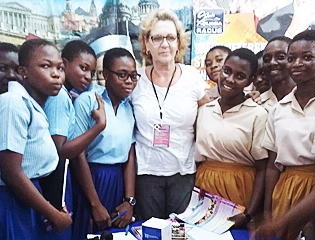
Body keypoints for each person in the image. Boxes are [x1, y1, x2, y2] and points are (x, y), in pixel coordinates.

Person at [131, 8, 210, 221]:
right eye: (157, 38)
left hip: (183, 173)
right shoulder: (135, 79)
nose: (164, 44)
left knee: (180, 232)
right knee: (150, 231)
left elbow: (212, 112)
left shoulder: (192, 77)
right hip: (147, 175)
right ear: (146, 44)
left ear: (178, 43)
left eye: (170, 37)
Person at [0, 39, 72, 240]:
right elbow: (11, 172)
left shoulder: (33, 106)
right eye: (45, 66)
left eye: (60, 67)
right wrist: (53, 215)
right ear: (24, 72)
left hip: (33, 199)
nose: (56, 74)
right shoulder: (13, 103)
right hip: (14, 203)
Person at [195, 48, 268, 228]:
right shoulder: (204, 110)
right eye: (227, 71)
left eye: (240, 76)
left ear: (250, 81)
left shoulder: (258, 114)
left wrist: (249, 213)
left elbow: (262, 170)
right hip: (205, 189)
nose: (229, 79)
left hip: (240, 190)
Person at [71, 48, 137, 240]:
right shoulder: (87, 101)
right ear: (106, 74)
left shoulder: (128, 107)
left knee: (114, 234)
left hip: (117, 181)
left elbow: (129, 154)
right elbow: (78, 154)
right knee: (88, 232)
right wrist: (94, 204)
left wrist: (129, 201)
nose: (129, 81)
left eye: (133, 76)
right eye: (122, 75)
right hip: (91, 180)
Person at [42, 40, 106, 240]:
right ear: (64, 64)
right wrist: (98, 127)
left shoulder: (66, 95)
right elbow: (60, 151)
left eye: (92, 73)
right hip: (55, 182)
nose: (87, 77)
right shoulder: (59, 97)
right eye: (83, 68)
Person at [263, 30, 315, 240]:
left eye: (307, 57)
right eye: (291, 58)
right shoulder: (279, 109)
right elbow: (272, 166)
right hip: (286, 191)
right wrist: (268, 212)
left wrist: (282, 221)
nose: (297, 63)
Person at [262, 36, 296, 102]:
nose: (272, 63)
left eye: (280, 57)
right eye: (266, 59)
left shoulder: (309, 98)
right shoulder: (258, 103)